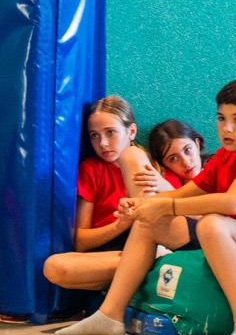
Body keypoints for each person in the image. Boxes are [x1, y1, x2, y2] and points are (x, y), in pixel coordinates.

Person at [56, 78, 236, 335]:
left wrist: (167, 207)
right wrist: (142, 207)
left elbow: (233, 203)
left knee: (212, 223)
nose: (226, 128)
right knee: (149, 221)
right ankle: (110, 316)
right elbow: (184, 194)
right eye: (221, 118)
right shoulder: (225, 156)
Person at [42, 96, 168, 291]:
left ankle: (153, 260)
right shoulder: (91, 170)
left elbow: (185, 215)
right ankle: (154, 263)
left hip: (151, 236)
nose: (103, 143)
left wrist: (163, 185)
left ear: (131, 131)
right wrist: (120, 224)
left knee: (132, 156)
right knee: (54, 267)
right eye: (94, 135)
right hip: (113, 250)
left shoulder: (152, 167)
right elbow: (80, 242)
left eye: (110, 132)